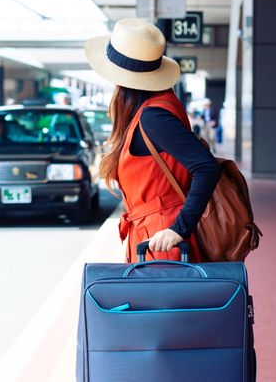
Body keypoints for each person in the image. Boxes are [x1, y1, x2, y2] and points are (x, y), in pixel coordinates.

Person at [84, 18, 221, 263]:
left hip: (161, 240)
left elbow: (206, 167)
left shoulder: (152, 117)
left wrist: (180, 228)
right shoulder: (158, 107)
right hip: (157, 235)